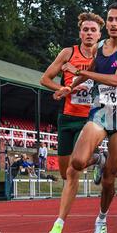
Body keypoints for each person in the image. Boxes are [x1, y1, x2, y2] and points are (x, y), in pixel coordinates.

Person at [48, 2, 117, 233]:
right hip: (100, 110)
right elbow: (85, 71)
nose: (113, 23)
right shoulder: (100, 47)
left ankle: (101, 219)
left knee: (110, 176)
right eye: (110, 19)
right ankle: (97, 158)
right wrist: (68, 88)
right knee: (76, 163)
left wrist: (85, 74)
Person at [41, 12, 106, 183]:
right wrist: (62, 88)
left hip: (89, 119)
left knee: (78, 162)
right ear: (80, 33)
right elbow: (45, 79)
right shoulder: (68, 53)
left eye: (93, 30)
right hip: (67, 116)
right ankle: (99, 158)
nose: (89, 33)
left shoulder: (103, 57)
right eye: (86, 30)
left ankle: (96, 158)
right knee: (65, 173)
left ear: (99, 35)